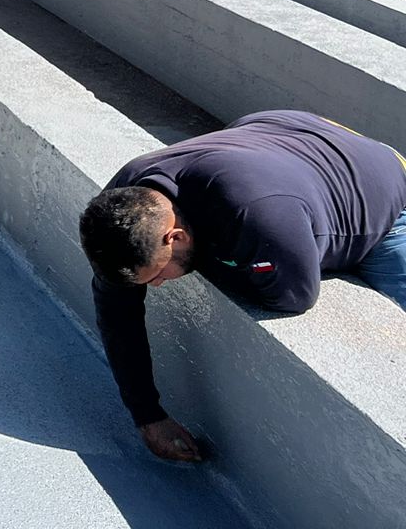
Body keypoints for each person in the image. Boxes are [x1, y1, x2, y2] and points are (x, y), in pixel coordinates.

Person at [79, 109, 406, 462]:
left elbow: (294, 296)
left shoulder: (258, 217)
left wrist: (217, 258)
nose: (156, 285)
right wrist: (147, 416)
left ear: (177, 237)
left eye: (158, 273)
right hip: (278, 136)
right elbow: (117, 312)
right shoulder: (124, 204)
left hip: (382, 186)